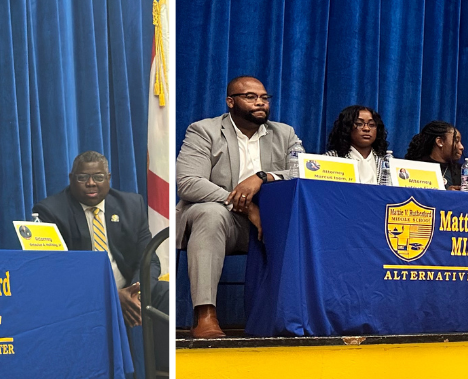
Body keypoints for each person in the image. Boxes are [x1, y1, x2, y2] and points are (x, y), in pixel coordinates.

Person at [176, 75, 301, 338]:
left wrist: (263, 177)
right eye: (251, 97)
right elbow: (188, 182)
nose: (260, 103)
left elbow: (304, 173)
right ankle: (205, 315)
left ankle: (294, 316)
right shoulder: (204, 131)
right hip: (224, 221)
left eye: (264, 98)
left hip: (271, 221)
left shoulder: (285, 133)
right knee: (209, 213)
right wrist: (245, 208)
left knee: (305, 219)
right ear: (230, 102)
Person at [32, 151, 152, 325]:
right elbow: (54, 270)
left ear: (108, 178)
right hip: (79, 296)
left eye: (98, 177)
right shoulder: (50, 211)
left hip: (129, 292)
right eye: (82, 178)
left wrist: (134, 292)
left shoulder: (132, 205)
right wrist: (111, 295)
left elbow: (148, 259)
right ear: (71, 178)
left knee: (164, 294)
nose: (90, 183)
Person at [324, 104, 391, 185]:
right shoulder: (329, 159)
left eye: (372, 125)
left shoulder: (388, 163)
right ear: (346, 128)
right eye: (359, 124)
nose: (366, 128)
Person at [405, 120, 467, 188]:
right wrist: (448, 195)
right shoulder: (415, 169)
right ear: (440, 142)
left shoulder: (462, 172)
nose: (461, 147)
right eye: (456, 141)